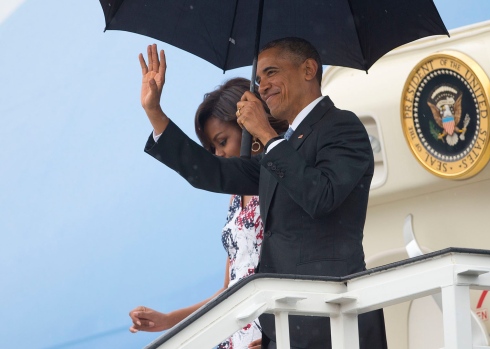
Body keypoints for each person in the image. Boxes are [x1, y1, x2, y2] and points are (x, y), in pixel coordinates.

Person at [141, 38, 387, 348]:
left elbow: (321, 197)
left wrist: (268, 136)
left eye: (271, 72)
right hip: (282, 326)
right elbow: (215, 173)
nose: (263, 85)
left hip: (333, 320)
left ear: (308, 69)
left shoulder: (342, 127)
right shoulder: (282, 145)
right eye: (258, 79)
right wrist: (155, 114)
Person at [128, 70, 287, 349]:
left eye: (222, 141)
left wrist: (278, 337)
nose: (218, 154)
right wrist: (168, 320)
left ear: (248, 126)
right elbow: (229, 289)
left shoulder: (282, 179)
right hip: (237, 334)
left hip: (276, 333)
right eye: (212, 148)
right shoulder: (235, 198)